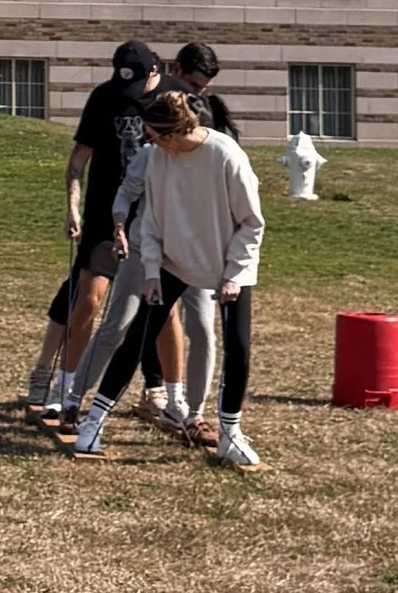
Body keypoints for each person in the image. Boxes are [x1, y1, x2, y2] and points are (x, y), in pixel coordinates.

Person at [74, 83, 266, 469]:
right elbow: (154, 222)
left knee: (238, 346)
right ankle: (93, 423)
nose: (149, 144)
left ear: (174, 133)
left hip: (228, 266)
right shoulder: (158, 158)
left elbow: (251, 222)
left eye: (154, 136)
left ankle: (231, 434)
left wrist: (233, 273)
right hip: (172, 263)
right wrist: (150, 272)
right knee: (137, 337)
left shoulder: (226, 156)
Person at [28, 43, 162, 420]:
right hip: (104, 216)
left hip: (151, 219)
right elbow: (76, 164)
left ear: (155, 70)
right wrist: (73, 208)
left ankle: (167, 394)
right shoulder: (104, 98)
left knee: (160, 312)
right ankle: (63, 385)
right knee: (88, 300)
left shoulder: (169, 98)